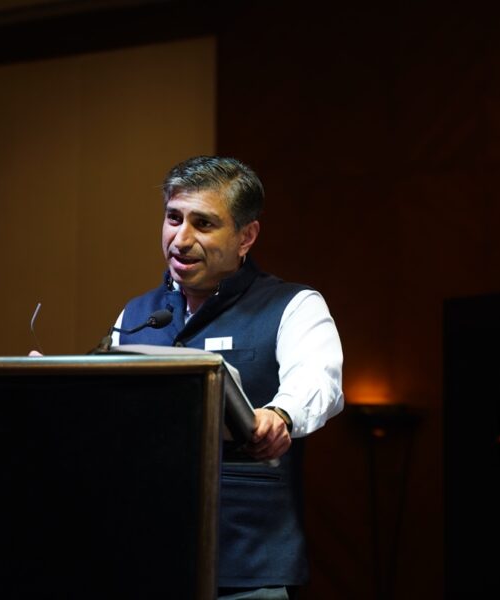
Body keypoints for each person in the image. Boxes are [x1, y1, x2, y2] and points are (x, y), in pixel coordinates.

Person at [112, 155, 344, 599]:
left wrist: (280, 414)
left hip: (248, 565)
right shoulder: (137, 313)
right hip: (143, 557)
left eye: (203, 223)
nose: (181, 239)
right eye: (173, 218)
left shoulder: (294, 305)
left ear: (246, 236)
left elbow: (319, 381)